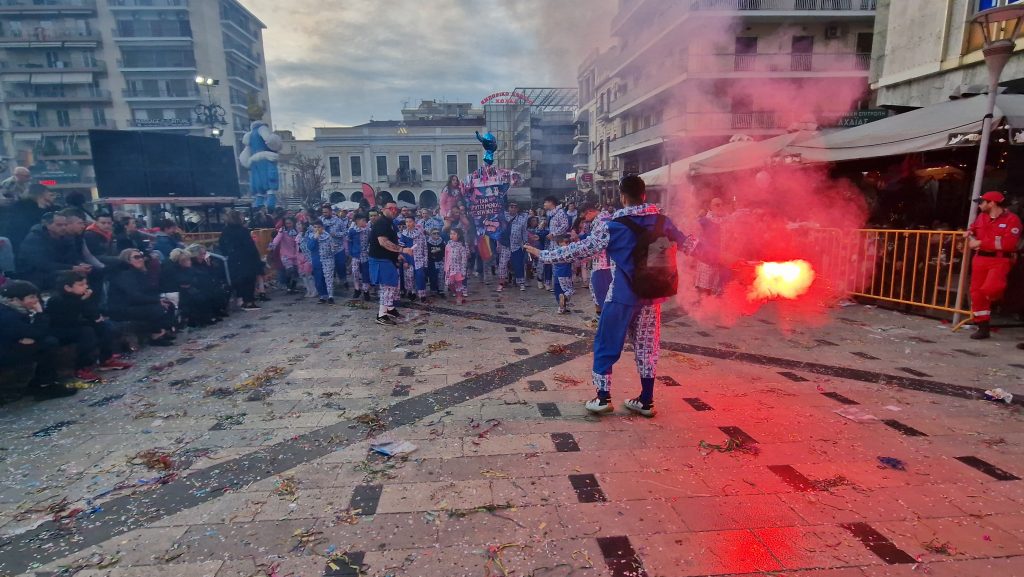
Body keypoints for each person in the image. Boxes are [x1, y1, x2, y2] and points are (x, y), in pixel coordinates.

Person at [526, 175, 698, 418]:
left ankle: (603, 397)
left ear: (622, 197)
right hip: (652, 296)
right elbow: (691, 245)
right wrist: (730, 259)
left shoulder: (614, 226)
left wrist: (543, 255)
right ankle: (646, 400)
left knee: (607, 343)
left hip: (622, 296)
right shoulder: (664, 221)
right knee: (648, 347)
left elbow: (580, 249)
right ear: (645, 195)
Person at [46, 271, 132, 381]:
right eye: (81, 285)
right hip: (60, 329)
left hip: (76, 324)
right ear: (68, 287)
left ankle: (106, 359)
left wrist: (95, 316)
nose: (86, 287)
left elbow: (92, 314)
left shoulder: (80, 297)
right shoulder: (57, 300)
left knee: (104, 326)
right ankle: (81, 367)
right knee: (87, 333)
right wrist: (84, 303)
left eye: (86, 284)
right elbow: (68, 318)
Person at [0, 280, 77, 401]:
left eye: (36, 296)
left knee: (45, 341)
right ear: (15, 299)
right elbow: (37, 333)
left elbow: (35, 332)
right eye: (31, 297)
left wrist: (31, 334)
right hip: (4, 351)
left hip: (9, 345)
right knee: (47, 344)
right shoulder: (7, 314)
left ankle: (38, 382)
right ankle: (45, 385)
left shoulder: (15, 309)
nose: (36, 300)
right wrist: (40, 314)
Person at [966, 191, 1022, 339]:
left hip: (999, 260)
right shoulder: (981, 217)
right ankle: (983, 327)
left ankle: (1004, 302)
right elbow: (973, 228)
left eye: (982, 202)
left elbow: (1009, 243)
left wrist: (981, 243)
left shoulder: (1012, 219)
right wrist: (969, 233)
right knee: (976, 293)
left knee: (991, 289)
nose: (979, 205)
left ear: (992, 203)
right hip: (980, 259)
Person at [107, 249, 177, 345]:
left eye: (141, 256)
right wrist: (156, 301)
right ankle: (155, 336)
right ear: (127, 260)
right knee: (155, 308)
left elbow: (147, 291)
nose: (140, 259)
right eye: (136, 257)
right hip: (122, 307)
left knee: (168, 304)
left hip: (134, 303)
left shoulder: (138, 273)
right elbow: (133, 296)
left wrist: (159, 299)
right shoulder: (125, 274)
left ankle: (164, 330)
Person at [16, 212, 91, 291]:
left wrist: (80, 264)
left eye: (65, 225)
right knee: (69, 277)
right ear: (47, 225)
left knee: (85, 273)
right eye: (59, 225)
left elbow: (72, 257)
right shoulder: (35, 239)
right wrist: (72, 268)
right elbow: (42, 264)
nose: (64, 228)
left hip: (59, 269)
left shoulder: (66, 237)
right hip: (35, 273)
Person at [369, 201, 413, 325]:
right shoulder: (381, 223)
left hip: (388, 259)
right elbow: (383, 242)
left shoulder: (390, 223)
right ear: (383, 209)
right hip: (380, 259)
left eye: (395, 208)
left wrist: (398, 254)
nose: (394, 211)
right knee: (387, 287)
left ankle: (389, 308)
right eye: (391, 208)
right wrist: (402, 250)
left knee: (392, 285)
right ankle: (381, 315)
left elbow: (391, 241)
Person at [218, 211, 264, 311]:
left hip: (233, 259)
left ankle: (242, 300)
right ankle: (248, 302)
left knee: (240, 281)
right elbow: (249, 246)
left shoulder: (225, 231)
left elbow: (222, 245)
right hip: (245, 259)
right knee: (248, 280)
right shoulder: (242, 230)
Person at [4, 183, 56, 254]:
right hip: (26, 241)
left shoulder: (17, 205)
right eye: (49, 193)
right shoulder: (34, 209)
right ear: (43, 193)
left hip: (15, 241)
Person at [542, 196, 570, 291]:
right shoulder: (549, 214)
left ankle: (564, 287)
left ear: (551, 202)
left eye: (545, 202)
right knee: (553, 263)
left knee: (560, 263)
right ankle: (557, 285)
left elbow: (565, 225)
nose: (544, 205)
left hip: (559, 243)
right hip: (552, 243)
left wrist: (554, 233)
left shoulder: (560, 212)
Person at [320, 203, 350, 289]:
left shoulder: (338, 221)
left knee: (340, 265)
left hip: (338, 248)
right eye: (323, 212)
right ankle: (329, 284)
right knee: (327, 267)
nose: (324, 214)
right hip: (326, 249)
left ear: (330, 212)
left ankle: (343, 280)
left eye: (326, 212)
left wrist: (336, 234)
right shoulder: (320, 221)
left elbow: (345, 232)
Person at [269, 217, 301, 294]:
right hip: (285, 255)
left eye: (290, 223)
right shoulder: (282, 231)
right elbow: (277, 239)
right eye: (287, 223)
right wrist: (271, 246)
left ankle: (293, 287)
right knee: (290, 270)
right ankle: (288, 286)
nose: (288, 225)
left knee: (296, 272)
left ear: (293, 223)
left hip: (296, 255)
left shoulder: (297, 230)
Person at [399, 216, 428, 302]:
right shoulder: (404, 234)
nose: (408, 223)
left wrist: (425, 260)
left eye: (410, 221)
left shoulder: (420, 233)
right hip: (408, 259)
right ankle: (412, 292)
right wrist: (404, 261)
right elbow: (401, 248)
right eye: (407, 222)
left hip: (419, 259)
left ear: (414, 222)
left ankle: (422, 294)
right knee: (409, 277)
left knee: (420, 276)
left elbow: (425, 248)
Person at [307, 219, 335, 304]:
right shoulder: (311, 236)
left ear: (322, 227)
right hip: (317, 261)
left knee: (328, 279)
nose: (317, 229)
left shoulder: (328, 236)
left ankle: (330, 296)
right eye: (315, 227)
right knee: (319, 280)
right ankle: (322, 295)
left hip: (328, 260)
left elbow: (332, 248)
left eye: (319, 227)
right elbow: (310, 247)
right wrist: (315, 238)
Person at [348, 214, 372, 300]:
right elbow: (349, 242)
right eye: (363, 220)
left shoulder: (368, 230)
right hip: (356, 255)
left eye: (365, 220)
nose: (365, 222)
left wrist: (369, 249)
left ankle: (366, 291)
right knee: (355, 273)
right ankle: (357, 289)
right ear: (357, 221)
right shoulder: (352, 231)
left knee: (366, 273)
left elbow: (370, 241)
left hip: (365, 255)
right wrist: (351, 252)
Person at [445, 227, 469, 304]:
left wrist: (463, 270)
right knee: (449, 283)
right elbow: (446, 257)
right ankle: (456, 292)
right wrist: (446, 268)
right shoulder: (448, 245)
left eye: (454, 234)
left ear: (458, 235)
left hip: (458, 268)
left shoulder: (461, 246)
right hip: (450, 268)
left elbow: (464, 260)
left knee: (459, 283)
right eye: (451, 234)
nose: (452, 235)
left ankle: (459, 297)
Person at [293, 222, 317, 298]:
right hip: (299, 258)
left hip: (307, 257)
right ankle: (308, 290)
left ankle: (314, 290)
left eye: (300, 224)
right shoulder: (298, 236)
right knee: (303, 276)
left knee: (309, 275)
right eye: (297, 225)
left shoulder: (309, 234)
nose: (299, 226)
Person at [552, 235, 575, 314]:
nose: (567, 244)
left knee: (558, 292)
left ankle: (561, 308)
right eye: (566, 242)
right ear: (560, 243)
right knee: (568, 290)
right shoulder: (567, 251)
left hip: (556, 275)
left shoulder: (555, 251)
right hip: (566, 274)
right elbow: (573, 260)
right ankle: (565, 299)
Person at [426, 227, 446, 297]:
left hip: (440, 261)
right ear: (431, 234)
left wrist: (444, 257)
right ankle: (433, 289)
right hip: (432, 262)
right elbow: (427, 252)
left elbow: (444, 251)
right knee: (433, 276)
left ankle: (441, 290)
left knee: (441, 276)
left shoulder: (442, 241)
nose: (436, 234)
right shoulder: (428, 242)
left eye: (438, 233)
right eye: (434, 233)